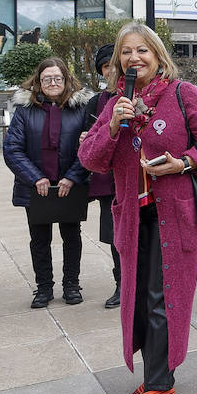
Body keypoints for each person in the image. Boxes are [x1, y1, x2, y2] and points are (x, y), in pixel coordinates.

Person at [78, 23, 197, 394]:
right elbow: (91, 160)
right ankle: (155, 377)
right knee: (140, 301)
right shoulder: (114, 104)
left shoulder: (183, 94)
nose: (134, 59)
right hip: (132, 216)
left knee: (164, 298)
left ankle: (160, 385)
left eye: (142, 51)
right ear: (117, 63)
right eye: (126, 53)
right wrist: (112, 128)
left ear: (158, 56)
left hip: (174, 216)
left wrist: (183, 164)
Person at [4, 57, 94, 309]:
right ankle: (43, 287)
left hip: (70, 185)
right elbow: (12, 149)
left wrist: (73, 177)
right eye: (46, 79)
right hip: (36, 187)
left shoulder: (81, 109)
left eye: (58, 78)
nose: (52, 83)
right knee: (39, 239)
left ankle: (71, 285)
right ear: (38, 82)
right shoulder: (25, 110)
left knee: (71, 236)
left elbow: (89, 147)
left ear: (66, 80)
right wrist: (35, 178)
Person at [82, 44, 123, 308]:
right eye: (105, 67)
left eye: (114, 65)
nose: (110, 71)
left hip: (138, 177)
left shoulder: (138, 95)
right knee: (116, 237)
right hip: (108, 181)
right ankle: (122, 283)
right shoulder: (95, 102)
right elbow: (89, 141)